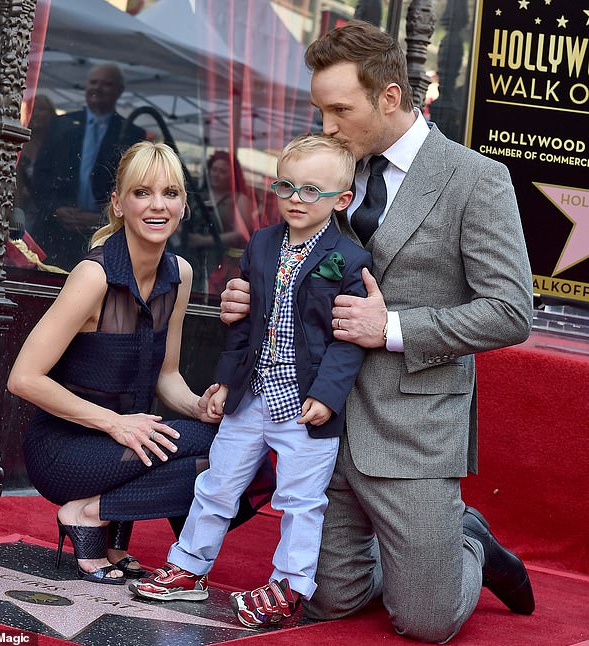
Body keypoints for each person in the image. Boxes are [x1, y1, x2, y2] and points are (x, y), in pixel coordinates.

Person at [219, 20, 535, 643]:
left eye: (341, 109)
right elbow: (293, 270)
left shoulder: (476, 179)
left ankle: (465, 541)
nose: (327, 125)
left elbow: (510, 311)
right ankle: (419, 555)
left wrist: (387, 326)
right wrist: (253, 300)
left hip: (411, 429)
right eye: (320, 109)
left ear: (390, 97)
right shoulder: (327, 168)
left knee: (426, 623)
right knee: (324, 601)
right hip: (316, 418)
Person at [130, 134, 373, 628]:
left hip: (305, 405)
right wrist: (223, 381)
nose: (297, 200)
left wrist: (327, 395)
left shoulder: (349, 259)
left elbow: (348, 342)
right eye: (287, 187)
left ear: (342, 200)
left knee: (301, 501)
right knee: (217, 485)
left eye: (312, 191)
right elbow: (244, 324)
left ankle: (289, 586)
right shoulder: (262, 243)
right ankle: (188, 568)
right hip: (252, 395)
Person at [7, 141, 269, 586]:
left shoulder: (180, 275)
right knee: (217, 445)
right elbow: (23, 378)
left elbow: (167, 375)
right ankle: (85, 511)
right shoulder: (94, 276)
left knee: (238, 439)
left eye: (169, 193)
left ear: (184, 205)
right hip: (63, 449)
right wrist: (115, 423)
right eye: (141, 192)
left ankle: (95, 512)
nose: (157, 205)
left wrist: (196, 407)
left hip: (123, 445)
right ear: (118, 203)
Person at [31, 63, 146, 271]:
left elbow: (135, 186)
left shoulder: (131, 133)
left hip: (103, 238)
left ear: (120, 91)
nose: (98, 88)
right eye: (93, 82)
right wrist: (57, 209)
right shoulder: (61, 124)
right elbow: (40, 177)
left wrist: (105, 216)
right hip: (53, 234)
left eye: (106, 84)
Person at [185, 150, 257, 298]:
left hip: (224, 263)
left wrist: (203, 241)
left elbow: (241, 235)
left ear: (232, 176)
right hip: (192, 258)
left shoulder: (240, 200)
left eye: (222, 171)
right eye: (214, 170)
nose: (216, 175)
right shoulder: (198, 195)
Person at [13, 94, 58, 235]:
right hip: (25, 209)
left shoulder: (59, 144)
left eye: (42, 110)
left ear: (52, 114)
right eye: (33, 110)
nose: (36, 114)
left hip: (50, 210)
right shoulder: (21, 144)